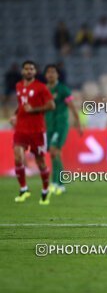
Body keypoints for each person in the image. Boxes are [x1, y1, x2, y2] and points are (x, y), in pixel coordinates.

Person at [11, 61, 55, 204]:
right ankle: (24, 189)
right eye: (26, 69)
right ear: (23, 71)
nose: (29, 71)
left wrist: (34, 109)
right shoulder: (18, 86)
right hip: (21, 128)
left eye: (31, 69)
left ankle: (45, 189)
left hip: (37, 129)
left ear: (35, 72)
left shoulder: (41, 87)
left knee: (40, 161)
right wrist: (15, 115)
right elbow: (21, 106)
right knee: (18, 157)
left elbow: (51, 105)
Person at [44, 65, 82, 195]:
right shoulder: (43, 90)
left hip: (61, 124)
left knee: (54, 151)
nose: (51, 75)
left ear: (57, 75)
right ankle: (60, 184)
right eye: (48, 72)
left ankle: (55, 182)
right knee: (55, 154)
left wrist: (78, 124)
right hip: (49, 125)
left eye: (53, 72)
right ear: (45, 75)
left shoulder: (63, 90)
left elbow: (72, 107)